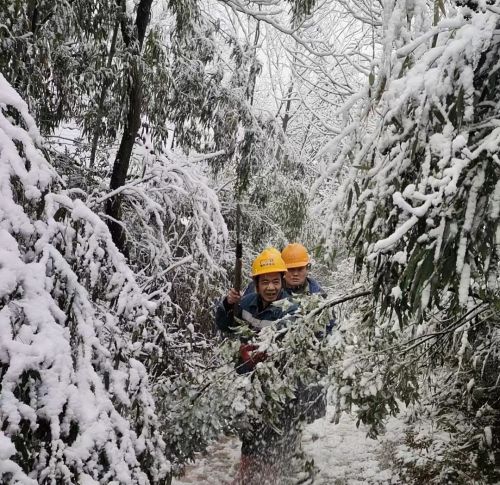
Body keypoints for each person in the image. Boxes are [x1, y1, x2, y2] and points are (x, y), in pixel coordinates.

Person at [215, 249, 297, 484]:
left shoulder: (291, 309)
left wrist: (260, 352)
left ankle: (274, 472)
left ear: (282, 281)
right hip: (249, 381)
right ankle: (248, 470)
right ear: (256, 283)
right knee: (250, 426)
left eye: (275, 281)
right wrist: (228, 305)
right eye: (265, 282)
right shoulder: (246, 303)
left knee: (276, 427)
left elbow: (285, 347)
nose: (270, 287)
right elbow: (226, 327)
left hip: (278, 383)